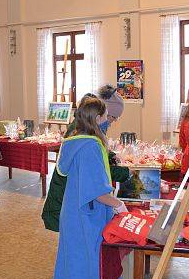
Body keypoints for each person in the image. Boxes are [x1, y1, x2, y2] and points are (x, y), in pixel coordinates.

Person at [49, 97, 126, 279]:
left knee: (72, 262)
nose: (108, 120)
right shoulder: (90, 147)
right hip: (86, 215)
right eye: (106, 116)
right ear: (98, 117)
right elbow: (96, 192)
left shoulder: (75, 140)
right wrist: (117, 204)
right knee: (88, 264)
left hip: (73, 212)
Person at [42, 89, 130, 232]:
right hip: (75, 206)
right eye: (111, 117)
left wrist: (109, 154)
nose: (112, 121)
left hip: (73, 205)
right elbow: (96, 187)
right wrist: (118, 204)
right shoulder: (89, 144)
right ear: (98, 116)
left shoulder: (85, 134)